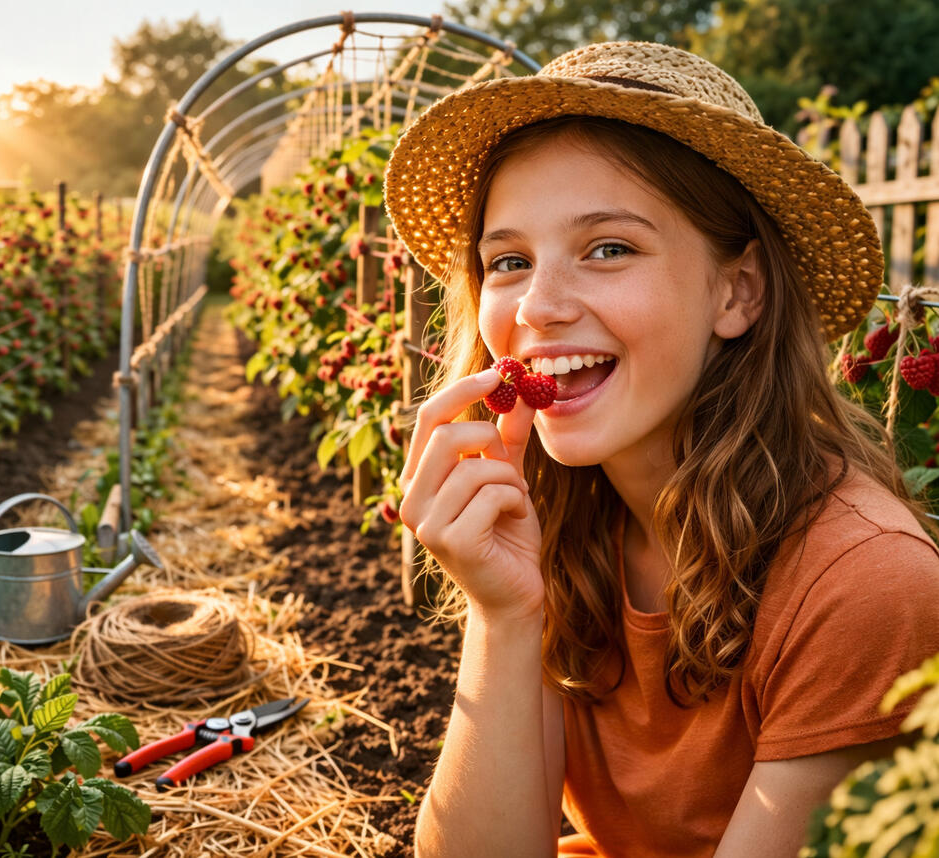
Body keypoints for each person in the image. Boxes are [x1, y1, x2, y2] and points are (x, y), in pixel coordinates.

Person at [382, 41, 939, 857]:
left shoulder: (863, 589)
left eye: (609, 247)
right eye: (508, 261)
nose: (537, 307)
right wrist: (503, 616)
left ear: (737, 290)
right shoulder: (563, 519)